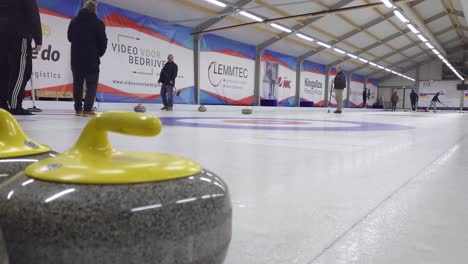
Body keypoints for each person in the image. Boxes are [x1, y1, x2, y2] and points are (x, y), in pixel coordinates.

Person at [0, 0, 42, 115]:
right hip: (20, 36)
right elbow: (33, 15)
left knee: (3, 71)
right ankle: (15, 105)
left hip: (2, 36)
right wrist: (38, 38)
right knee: (20, 72)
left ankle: (2, 104)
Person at [68, 0, 107, 117]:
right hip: (92, 59)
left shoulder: (74, 21)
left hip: (76, 58)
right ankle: (87, 109)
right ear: (95, 10)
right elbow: (103, 42)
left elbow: (69, 37)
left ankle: (78, 108)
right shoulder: (98, 23)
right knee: (91, 85)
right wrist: (98, 53)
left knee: (77, 84)